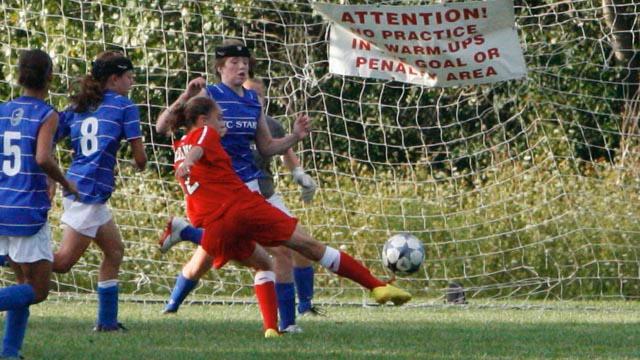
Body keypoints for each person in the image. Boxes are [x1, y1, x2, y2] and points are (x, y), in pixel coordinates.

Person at [165, 95, 411, 338]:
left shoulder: (178, 147)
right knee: (308, 245)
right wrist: (190, 160)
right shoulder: (204, 133)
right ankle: (376, 286)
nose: (223, 122)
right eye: (219, 117)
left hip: (217, 226)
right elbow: (198, 148)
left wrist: (185, 157)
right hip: (243, 208)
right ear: (203, 119)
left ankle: (271, 329)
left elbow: (177, 139)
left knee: (263, 264)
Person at [155, 40, 320, 332]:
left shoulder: (253, 101)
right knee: (224, 254)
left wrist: (295, 137)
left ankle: (289, 322)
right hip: (221, 191)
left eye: (245, 62)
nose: (241, 66)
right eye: (234, 62)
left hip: (253, 185)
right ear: (220, 68)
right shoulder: (208, 95)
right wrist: (185, 95)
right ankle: (177, 288)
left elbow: (267, 147)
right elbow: (162, 127)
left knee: (291, 245)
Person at [52, 51, 147, 331]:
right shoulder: (124, 106)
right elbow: (140, 158)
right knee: (61, 263)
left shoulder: (79, 106)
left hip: (78, 185)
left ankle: (107, 323)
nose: (131, 82)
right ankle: (9, 255)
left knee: (115, 251)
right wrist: (134, 163)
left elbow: (48, 140)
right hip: (90, 192)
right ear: (114, 79)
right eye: (128, 77)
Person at [0, 49, 78, 357]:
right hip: (27, 211)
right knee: (38, 290)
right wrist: (64, 181)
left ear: (19, 76)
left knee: (22, 283)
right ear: (50, 77)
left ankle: (9, 351)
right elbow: (43, 157)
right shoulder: (47, 114)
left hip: (2, 205)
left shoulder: (3, 111)